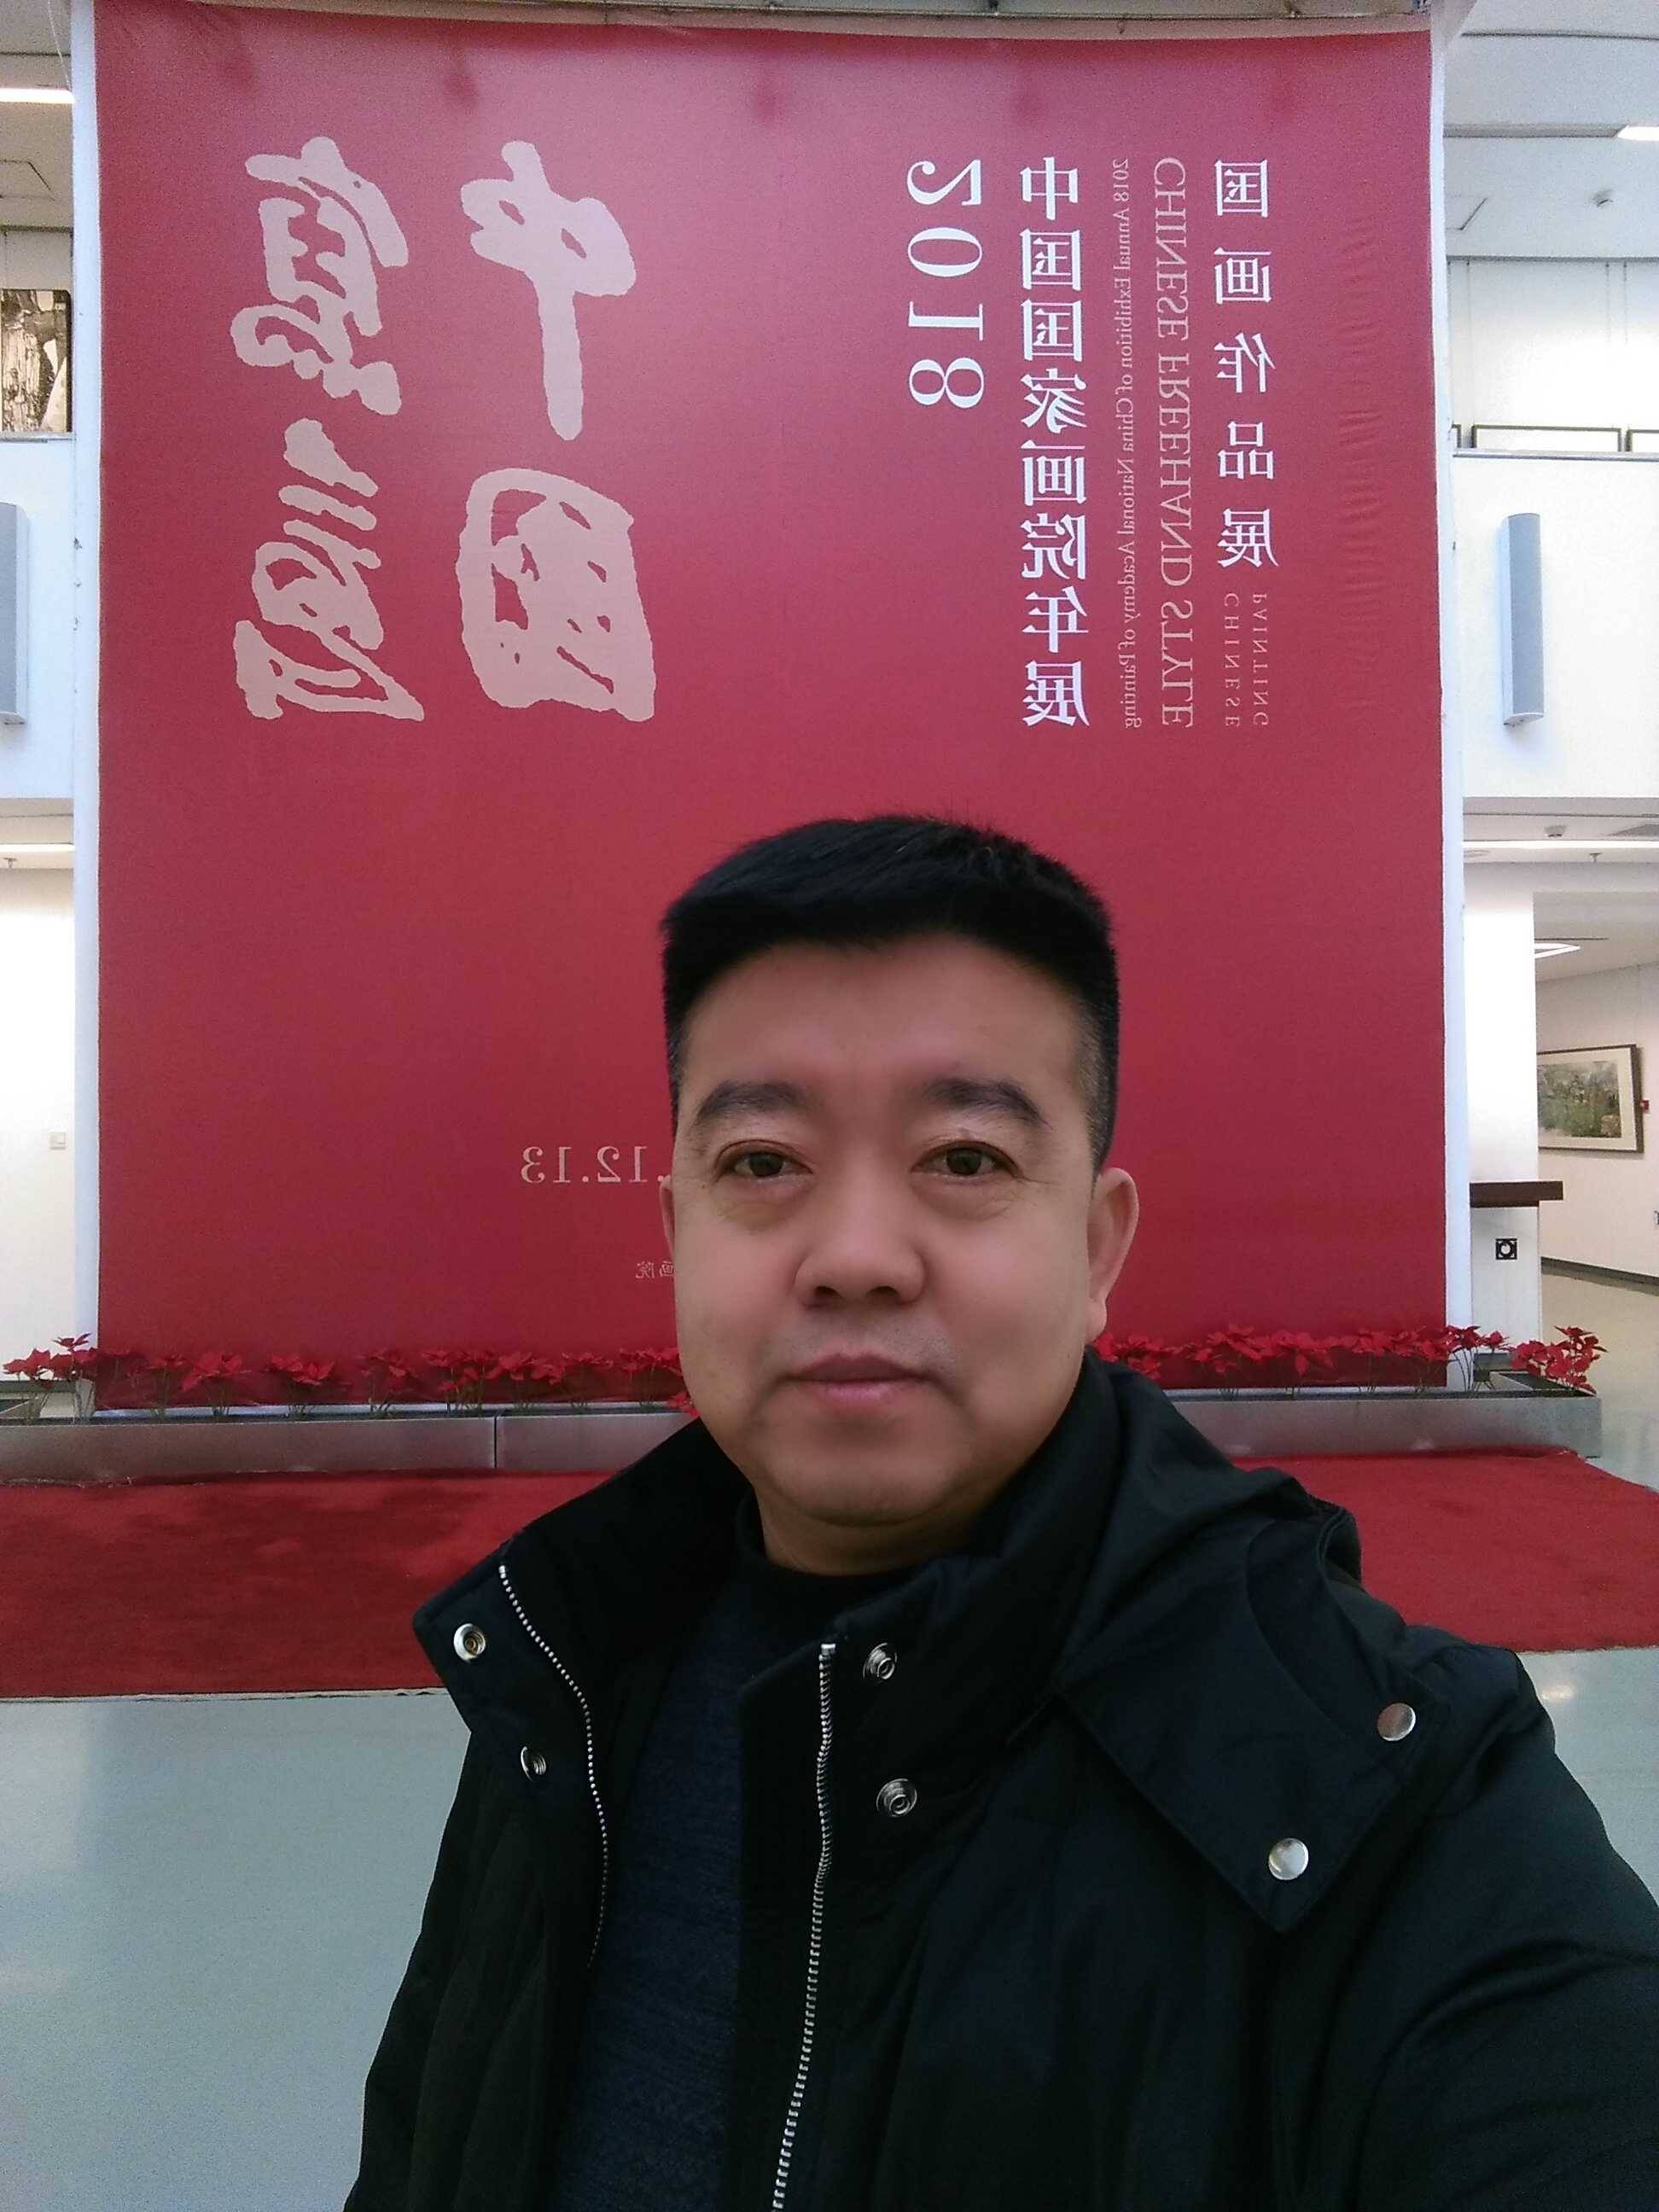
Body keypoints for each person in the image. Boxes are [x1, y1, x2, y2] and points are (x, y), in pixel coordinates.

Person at [345, 813, 1659, 2212]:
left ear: (1097, 1249)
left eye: (964, 1159)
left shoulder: (1387, 1785)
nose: (856, 1257)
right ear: (676, 1236)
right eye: (763, 1163)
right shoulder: (569, 1672)